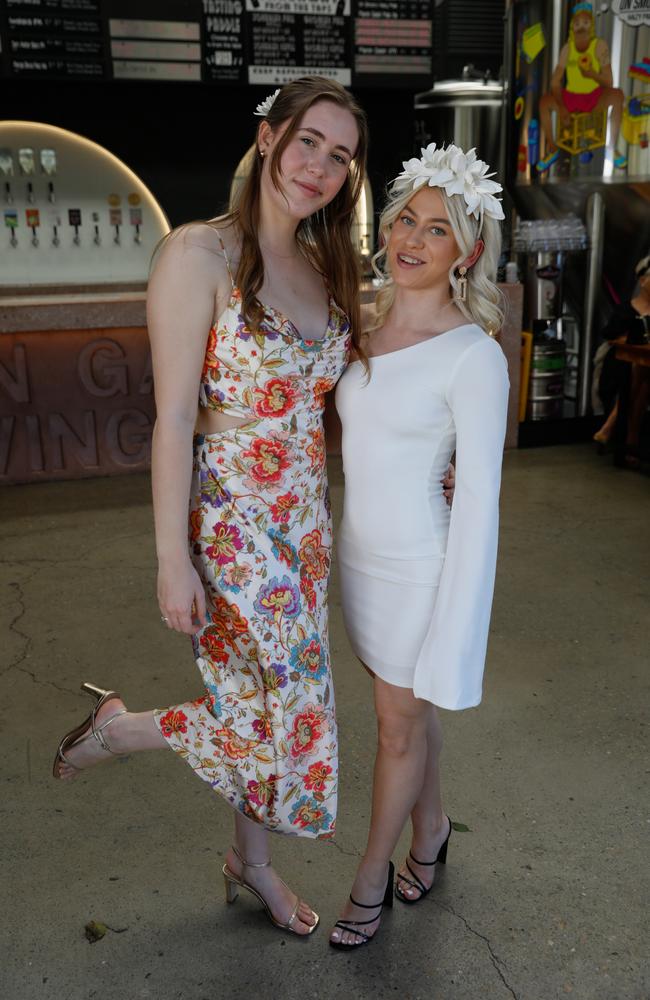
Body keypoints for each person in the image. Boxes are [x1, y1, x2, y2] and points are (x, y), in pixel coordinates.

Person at [53, 76, 368, 938]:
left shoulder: (326, 262)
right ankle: (121, 733)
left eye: (341, 155)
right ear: (267, 138)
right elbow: (176, 418)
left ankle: (250, 863)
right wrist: (170, 558)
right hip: (232, 527)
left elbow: (345, 399)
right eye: (309, 141)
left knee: (270, 706)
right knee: (277, 723)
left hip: (306, 527)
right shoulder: (199, 254)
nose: (321, 166)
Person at [329, 143, 510, 949]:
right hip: (358, 563)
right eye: (407, 218)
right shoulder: (363, 329)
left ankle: (371, 878)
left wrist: (456, 628)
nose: (412, 238)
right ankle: (430, 825)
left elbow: (478, 502)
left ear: (466, 252)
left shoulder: (474, 355)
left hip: (419, 571)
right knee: (406, 708)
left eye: (438, 230)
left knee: (397, 725)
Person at [536, 1, 626, 173]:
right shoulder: (567, 49)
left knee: (618, 95)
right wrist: (562, 107)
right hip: (570, 97)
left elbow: (609, 82)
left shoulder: (599, 46)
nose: (581, 27)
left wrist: (591, 74)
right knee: (544, 102)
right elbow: (555, 82)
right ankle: (553, 149)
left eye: (585, 23)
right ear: (572, 27)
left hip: (594, 96)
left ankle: (612, 149)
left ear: (591, 25)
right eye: (577, 23)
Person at [594, 254, 650, 466]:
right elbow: (609, 334)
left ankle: (614, 428)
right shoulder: (627, 309)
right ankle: (630, 441)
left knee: (643, 377)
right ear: (642, 280)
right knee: (639, 377)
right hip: (619, 364)